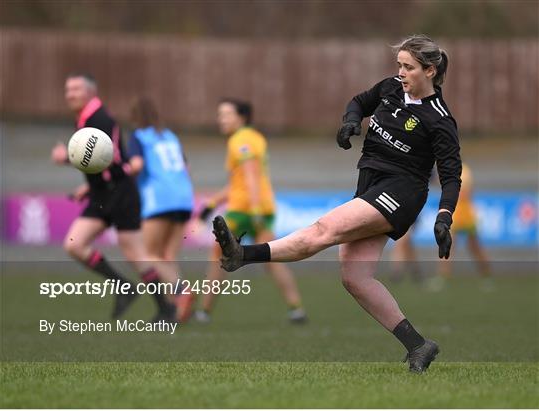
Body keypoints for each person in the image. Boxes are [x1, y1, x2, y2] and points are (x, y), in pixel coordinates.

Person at [211, 35, 462, 373]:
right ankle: (418, 345)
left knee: (323, 230)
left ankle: (242, 255)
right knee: (355, 277)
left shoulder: (439, 119)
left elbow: (450, 176)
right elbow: (359, 101)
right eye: (399, 65)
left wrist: (444, 218)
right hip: (371, 184)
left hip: (400, 192)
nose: (400, 72)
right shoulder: (391, 88)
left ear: (430, 71)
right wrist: (349, 121)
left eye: (408, 67)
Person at [50, 73, 176, 322]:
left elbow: (109, 158)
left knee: (135, 254)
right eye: (67, 90)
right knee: (74, 245)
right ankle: (124, 287)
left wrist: (66, 158)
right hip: (102, 192)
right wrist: (90, 185)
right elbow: (99, 162)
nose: (70, 94)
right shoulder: (87, 118)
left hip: (120, 192)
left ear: (91, 92)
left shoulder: (99, 118)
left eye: (75, 89)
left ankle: (166, 308)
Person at [194, 98, 307, 324]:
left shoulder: (239, 140)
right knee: (272, 257)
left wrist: (253, 209)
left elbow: (250, 175)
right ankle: (296, 308)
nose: (221, 119)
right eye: (220, 114)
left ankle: (203, 312)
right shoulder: (256, 137)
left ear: (241, 117)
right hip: (263, 207)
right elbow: (241, 181)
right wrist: (213, 202)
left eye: (226, 114)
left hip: (244, 210)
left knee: (218, 259)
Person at [128, 97, 195, 320]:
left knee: (149, 255)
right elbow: (186, 167)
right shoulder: (170, 136)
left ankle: (180, 290)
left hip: (159, 199)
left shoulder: (138, 136)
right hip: (184, 197)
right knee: (168, 255)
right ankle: (173, 309)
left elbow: (136, 165)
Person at [433, 162, 492, 290]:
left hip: (465, 214)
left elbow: (465, 192)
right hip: (454, 214)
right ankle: (443, 277)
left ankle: (486, 275)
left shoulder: (464, 171)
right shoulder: (451, 169)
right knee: (448, 246)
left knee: (474, 247)